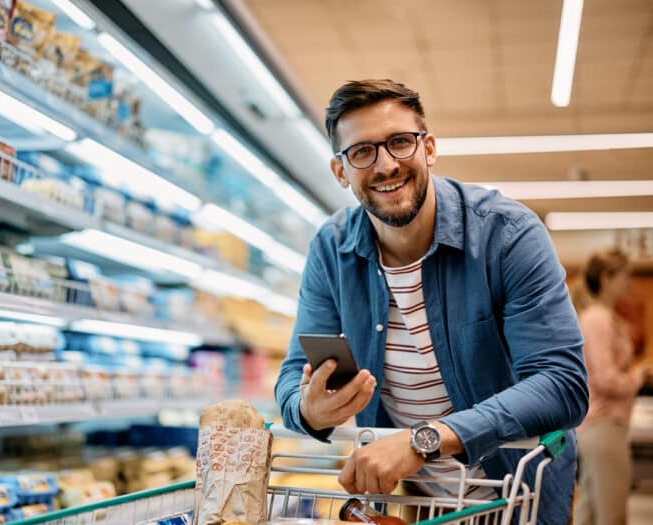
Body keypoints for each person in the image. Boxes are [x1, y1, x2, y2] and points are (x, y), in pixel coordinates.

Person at [274, 79, 588, 525]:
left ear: (430, 148)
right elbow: (291, 377)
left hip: (517, 495)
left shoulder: (507, 236)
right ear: (341, 171)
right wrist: (307, 409)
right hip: (414, 503)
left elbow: (563, 383)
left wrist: (425, 439)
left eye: (400, 142)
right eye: (362, 152)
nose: (386, 165)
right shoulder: (332, 250)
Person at [571, 249, 648, 525]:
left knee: (590, 511)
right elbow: (605, 379)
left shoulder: (600, 316)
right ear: (606, 278)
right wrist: (639, 376)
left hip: (597, 426)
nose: (628, 282)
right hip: (603, 424)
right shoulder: (598, 319)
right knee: (612, 514)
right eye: (624, 275)